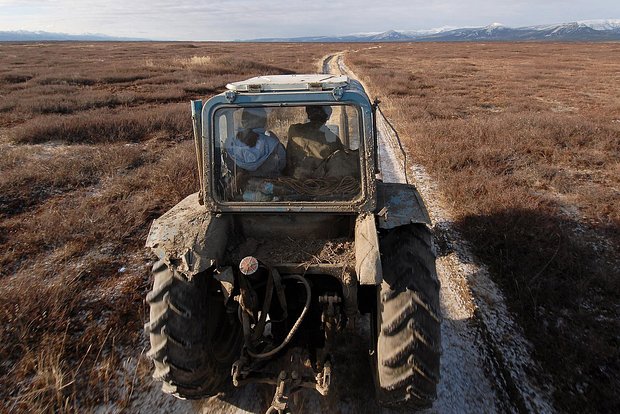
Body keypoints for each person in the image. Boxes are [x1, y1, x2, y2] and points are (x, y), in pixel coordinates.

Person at [224, 107, 286, 177]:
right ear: (264, 121)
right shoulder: (274, 143)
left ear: (243, 122)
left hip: (239, 186)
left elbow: (228, 167)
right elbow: (282, 166)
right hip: (271, 186)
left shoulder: (231, 144)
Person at [286, 106, 343, 178]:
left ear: (308, 113)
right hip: (322, 184)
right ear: (326, 117)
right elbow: (340, 160)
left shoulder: (295, 129)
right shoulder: (331, 137)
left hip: (294, 181)